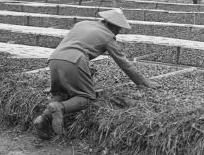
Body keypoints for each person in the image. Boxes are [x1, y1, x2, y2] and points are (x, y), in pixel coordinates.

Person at [33, 8, 158, 140]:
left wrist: (84, 68)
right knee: (87, 97)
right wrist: (143, 82)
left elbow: (77, 44)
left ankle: (43, 119)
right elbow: (124, 63)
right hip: (76, 60)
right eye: (119, 29)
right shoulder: (107, 36)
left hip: (54, 59)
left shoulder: (82, 24)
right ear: (114, 26)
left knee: (62, 93)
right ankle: (60, 108)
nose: (119, 32)